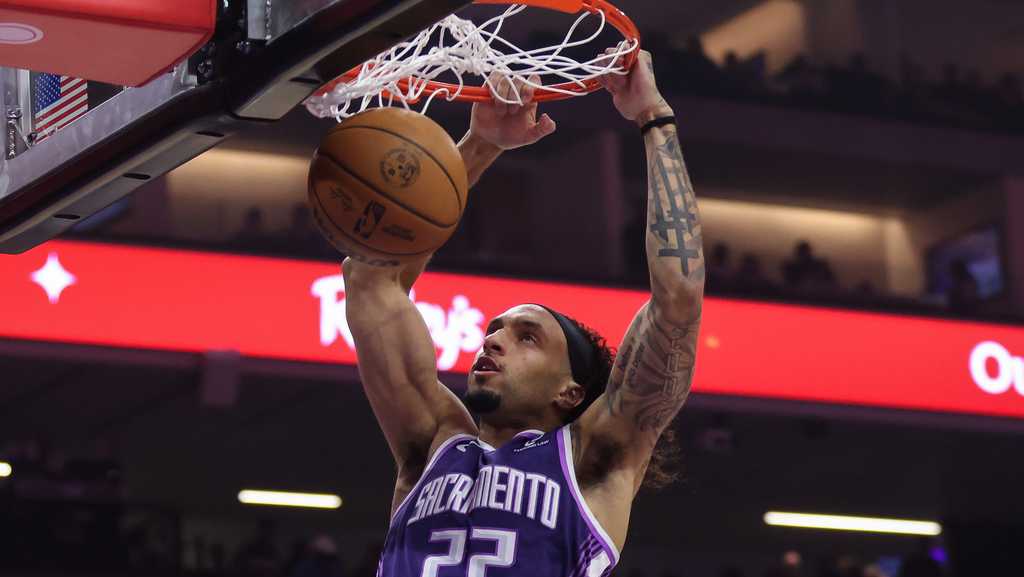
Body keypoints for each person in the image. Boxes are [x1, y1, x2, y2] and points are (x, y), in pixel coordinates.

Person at [341, 49, 704, 576]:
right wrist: (481, 145)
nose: (492, 341)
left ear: (570, 392)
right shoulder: (434, 442)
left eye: (527, 337)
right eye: (496, 330)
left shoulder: (592, 459)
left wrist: (654, 117)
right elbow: (369, 278)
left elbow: (678, 298)